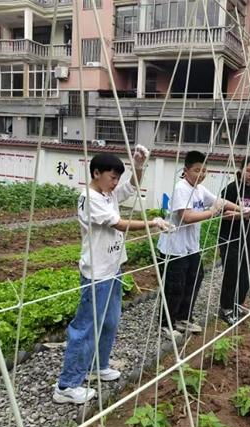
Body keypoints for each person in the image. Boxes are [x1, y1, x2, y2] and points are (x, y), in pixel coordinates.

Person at [54, 146, 170, 405]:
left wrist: (138, 166)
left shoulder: (108, 193)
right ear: (96, 173)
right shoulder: (89, 198)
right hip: (97, 273)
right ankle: (67, 385)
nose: (116, 182)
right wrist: (152, 223)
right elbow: (117, 224)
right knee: (84, 328)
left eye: (117, 177)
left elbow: (131, 186)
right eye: (111, 177)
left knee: (110, 321)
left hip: (113, 267)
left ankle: (98, 366)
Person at [157, 150, 240, 340]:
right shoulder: (181, 188)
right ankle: (165, 323)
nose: (201, 174)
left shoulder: (199, 189)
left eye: (204, 171)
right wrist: (213, 212)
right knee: (174, 286)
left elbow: (220, 201)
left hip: (191, 247)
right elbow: (186, 217)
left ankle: (182, 318)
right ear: (186, 170)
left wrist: (241, 208)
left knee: (194, 279)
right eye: (197, 170)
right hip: (174, 248)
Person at [218, 156, 250, 325]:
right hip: (231, 238)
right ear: (241, 169)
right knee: (232, 272)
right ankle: (226, 308)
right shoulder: (231, 189)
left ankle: (238, 303)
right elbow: (222, 214)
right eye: (248, 170)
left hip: (247, 237)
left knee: (246, 272)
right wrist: (242, 214)